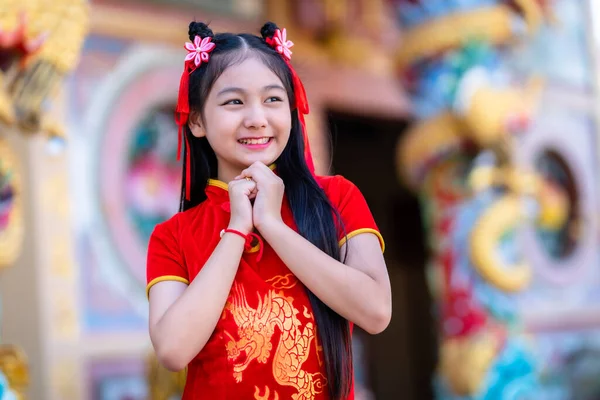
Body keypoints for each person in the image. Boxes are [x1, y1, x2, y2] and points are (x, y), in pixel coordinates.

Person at [146, 20, 392, 400]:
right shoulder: (172, 235)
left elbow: (375, 311)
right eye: (234, 102)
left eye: (273, 99)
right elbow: (173, 350)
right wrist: (237, 230)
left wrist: (273, 225)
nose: (257, 118)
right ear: (196, 119)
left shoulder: (337, 198)